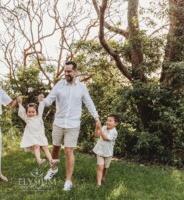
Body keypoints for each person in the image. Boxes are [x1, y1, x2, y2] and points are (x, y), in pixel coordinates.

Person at [40, 60, 100, 191]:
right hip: (59, 122)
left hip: (73, 124)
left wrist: (96, 117)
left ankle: (68, 180)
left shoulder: (82, 87)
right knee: (55, 148)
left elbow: (89, 103)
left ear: (75, 72)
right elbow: (49, 100)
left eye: (69, 71)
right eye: (65, 71)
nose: (66, 73)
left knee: (68, 150)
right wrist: (42, 101)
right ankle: (53, 169)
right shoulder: (59, 85)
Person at [16, 95, 60, 167]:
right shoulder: (27, 118)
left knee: (45, 148)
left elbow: (41, 108)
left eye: (33, 112)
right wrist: (20, 103)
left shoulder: (39, 117)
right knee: (36, 146)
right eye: (29, 112)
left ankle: (51, 160)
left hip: (40, 135)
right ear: (26, 113)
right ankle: (39, 160)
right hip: (32, 136)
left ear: (36, 112)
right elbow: (21, 112)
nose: (31, 113)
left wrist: (41, 101)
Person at [93, 114, 119, 187]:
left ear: (115, 123)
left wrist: (100, 128)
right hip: (100, 151)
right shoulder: (104, 127)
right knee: (100, 166)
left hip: (108, 153)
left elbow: (105, 138)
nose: (107, 122)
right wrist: (96, 128)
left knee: (105, 167)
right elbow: (96, 136)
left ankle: (103, 177)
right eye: (107, 120)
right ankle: (98, 184)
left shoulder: (114, 132)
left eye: (110, 121)